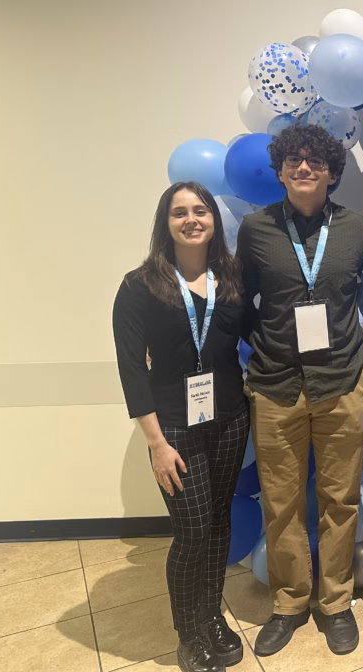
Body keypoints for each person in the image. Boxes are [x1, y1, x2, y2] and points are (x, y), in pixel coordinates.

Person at [237, 123, 363, 657]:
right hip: (275, 387)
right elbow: (237, 301)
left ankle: (336, 604)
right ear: (279, 170)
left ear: (332, 173)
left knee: (340, 501)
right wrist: (265, 347)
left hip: (341, 383)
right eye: (292, 160)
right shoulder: (255, 229)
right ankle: (290, 603)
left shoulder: (358, 229)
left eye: (315, 161)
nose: (303, 168)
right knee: (282, 503)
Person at [113, 181, 248, 672]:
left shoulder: (231, 280)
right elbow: (131, 368)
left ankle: (212, 615)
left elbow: (258, 334)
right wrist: (155, 442)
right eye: (179, 212)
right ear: (164, 223)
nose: (192, 219)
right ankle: (188, 631)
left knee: (217, 523)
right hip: (173, 428)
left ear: (214, 220)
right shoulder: (140, 285)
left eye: (201, 210)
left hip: (231, 419)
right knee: (192, 530)